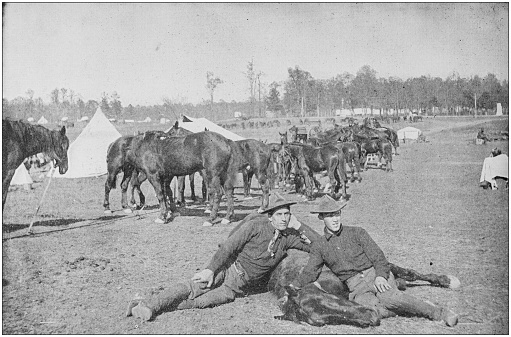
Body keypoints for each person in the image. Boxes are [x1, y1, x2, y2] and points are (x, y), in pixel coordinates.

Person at [126, 192, 322, 321]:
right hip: (227, 269)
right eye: (279, 214)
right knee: (193, 288)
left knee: (202, 302)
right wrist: (210, 270)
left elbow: (319, 245)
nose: (284, 218)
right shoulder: (255, 226)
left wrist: (299, 226)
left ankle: (142, 305)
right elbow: (229, 247)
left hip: (235, 288)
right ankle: (152, 305)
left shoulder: (287, 238)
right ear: (270, 215)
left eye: (287, 214)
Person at [290, 195, 459, 327]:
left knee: (391, 298)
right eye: (329, 216)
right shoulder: (320, 246)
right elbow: (310, 272)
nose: (335, 219)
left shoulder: (357, 233)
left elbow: (379, 257)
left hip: (375, 276)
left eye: (337, 214)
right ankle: (409, 306)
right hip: (356, 287)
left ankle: (439, 313)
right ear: (321, 218)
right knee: (368, 312)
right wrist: (292, 287)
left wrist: (380, 276)